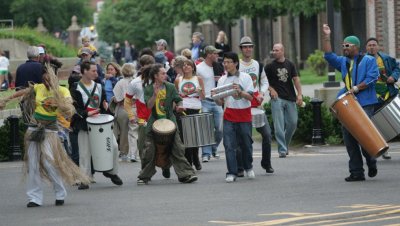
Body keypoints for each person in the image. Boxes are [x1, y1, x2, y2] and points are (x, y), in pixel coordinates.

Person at [0, 65, 90, 207]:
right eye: (45, 79)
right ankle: (34, 198)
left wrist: (65, 105)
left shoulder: (62, 90)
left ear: (55, 77)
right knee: (33, 163)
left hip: (50, 130)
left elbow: (68, 103)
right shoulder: (38, 88)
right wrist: (6, 99)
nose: (47, 83)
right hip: (34, 127)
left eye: (49, 79)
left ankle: (60, 193)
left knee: (49, 162)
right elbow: (24, 92)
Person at [322, 24, 379, 182]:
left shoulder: (368, 60)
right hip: (348, 103)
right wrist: (327, 36)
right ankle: (356, 172)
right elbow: (328, 55)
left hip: (365, 102)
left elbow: (373, 78)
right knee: (349, 136)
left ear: (356, 47)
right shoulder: (343, 62)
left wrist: (356, 88)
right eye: (343, 45)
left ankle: (371, 160)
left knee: (363, 135)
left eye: (347, 45)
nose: (344, 48)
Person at [137, 63, 198, 184]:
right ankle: (144, 176)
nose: (165, 75)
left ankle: (185, 175)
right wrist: (155, 94)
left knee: (178, 148)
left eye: (165, 73)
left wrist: (180, 107)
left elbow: (178, 100)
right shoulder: (148, 88)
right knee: (149, 150)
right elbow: (149, 106)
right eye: (163, 73)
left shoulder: (170, 87)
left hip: (170, 121)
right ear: (155, 76)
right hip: (154, 122)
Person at [70, 60, 123, 189]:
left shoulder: (99, 86)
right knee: (85, 152)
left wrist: (107, 107)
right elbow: (73, 108)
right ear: (84, 71)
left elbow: (103, 105)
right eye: (93, 71)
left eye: (96, 70)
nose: (96, 73)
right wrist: (86, 114)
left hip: (101, 122)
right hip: (84, 124)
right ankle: (84, 179)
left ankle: (111, 172)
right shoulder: (75, 87)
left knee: (114, 147)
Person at [212, 52, 255, 183]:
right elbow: (221, 102)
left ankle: (248, 167)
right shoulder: (222, 80)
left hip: (244, 114)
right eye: (224, 62)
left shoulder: (246, 77)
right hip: (229, 114)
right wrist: (216, 98)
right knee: (229, 145)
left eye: (229, 62)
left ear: (236, 63)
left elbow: (251, 97)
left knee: (246, 144)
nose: (226, 64)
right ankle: (231, 172)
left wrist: (240, 92)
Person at [238, 36, 274, 174]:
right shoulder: (237, 65)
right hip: (243, 106)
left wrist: (262, 93)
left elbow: (264, 82)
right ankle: (241, 167)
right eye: (245, 47)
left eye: (250, 46)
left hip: (257, 106)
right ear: (241, 49)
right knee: (243, 138)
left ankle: (266, 163)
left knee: (267, 135)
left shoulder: (258, 65)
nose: (248, 49)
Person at [265, 43, 302, 158]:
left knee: (292, 123)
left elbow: (295, 79)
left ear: (282, 51)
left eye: (277, 50)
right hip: (277, 99)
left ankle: (284, 145)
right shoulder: (269, 66)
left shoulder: (290, 64)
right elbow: (264, 82)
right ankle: (282, 149)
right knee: (279, 125)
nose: (274, 52)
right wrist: (271, 90)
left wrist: (299, 94)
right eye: (273, 50)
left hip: (290, 97)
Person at [366, 37, 400, 160]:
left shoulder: (385, 58)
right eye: (369, 45)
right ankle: (373, 149)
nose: (372, 47)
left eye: (374, 45)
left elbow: (397, 67)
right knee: (373, 124)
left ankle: (385, 149)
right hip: (370, 98)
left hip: (387, 95)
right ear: (366, 48)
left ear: (378, 46)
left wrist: (393, 77)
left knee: (389, 122)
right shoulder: (362, 61)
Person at [174, 59, 205, 171]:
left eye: (189, 65)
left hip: (195, 107)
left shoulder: (198, 79)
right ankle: (188, 161)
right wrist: (176, 106)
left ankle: (196, 157)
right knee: (185, 136)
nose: (186, 66)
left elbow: (203, 96)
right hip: (183, 108)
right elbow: (175, 96)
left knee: (194, 136)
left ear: (193, 67)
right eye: (184, 65)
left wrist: (199, 90)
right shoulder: (178, 80)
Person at [196, 46, 224, 162]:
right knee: (205, 128)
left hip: (217, 100)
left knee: (220, 128)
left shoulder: (219, 67)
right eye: (215, 54)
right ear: (208, 55)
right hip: (205, 101)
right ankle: (206, 153)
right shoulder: (199, 68)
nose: (217, 56)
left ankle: (214, 147)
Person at [112, 63, 138, 162]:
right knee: (133, 132)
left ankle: (123, 153)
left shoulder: (120, 82)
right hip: (134, 108)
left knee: (123, 132)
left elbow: (118, 99)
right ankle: (133, 154)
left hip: (123, 109)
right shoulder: (136, 82)